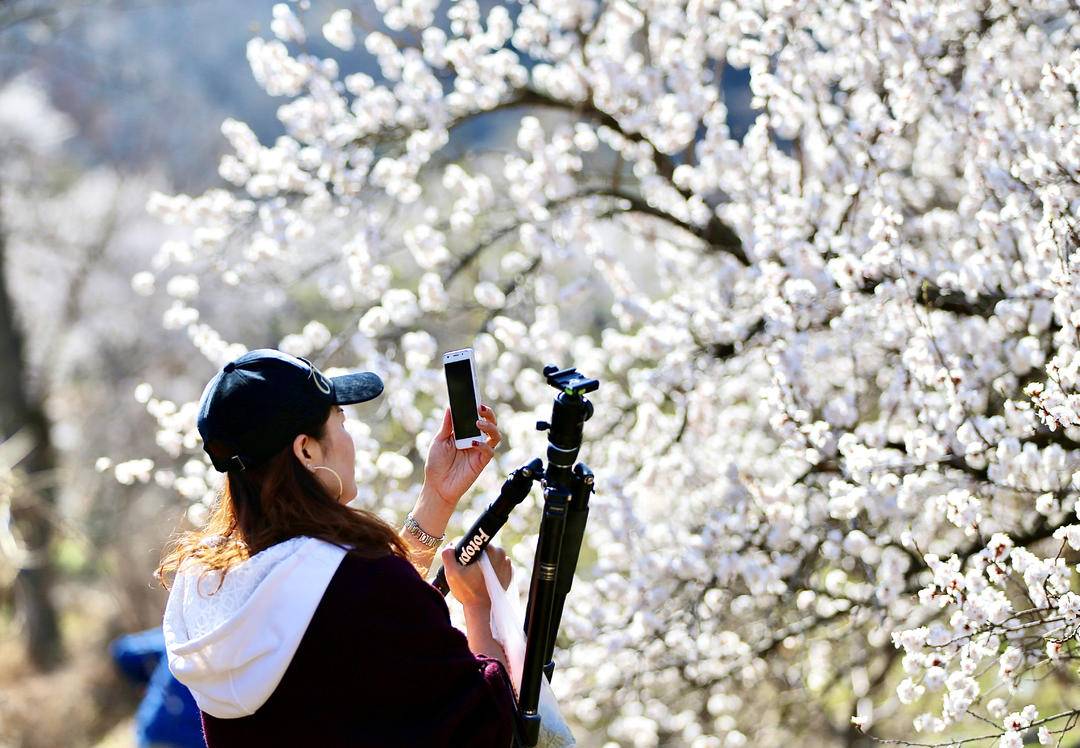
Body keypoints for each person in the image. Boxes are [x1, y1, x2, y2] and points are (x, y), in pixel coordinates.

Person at [156, 348, 517, 747]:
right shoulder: (362, 583)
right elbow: (489, 725)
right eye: (340, 423)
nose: (349, 440)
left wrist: (438, 497)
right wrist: (481, 606)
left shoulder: (208, 589)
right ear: (306, 450)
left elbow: (355, 623)